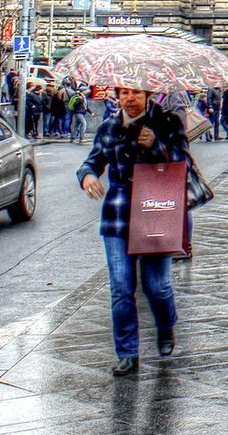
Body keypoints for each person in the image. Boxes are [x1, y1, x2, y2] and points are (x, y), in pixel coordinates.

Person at [76, 85, 189, 376]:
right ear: (118, 96)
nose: (130, 99)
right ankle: (127, 352)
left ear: (148, 96)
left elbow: (183, 162)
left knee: (157, 286)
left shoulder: (166, 123)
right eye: (124, 93)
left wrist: (156, 146)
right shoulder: (109, 127)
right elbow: (92, 161)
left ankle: (166, 326)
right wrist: (87, 176)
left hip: (155, 212)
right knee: (121, 288)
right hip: (118, 216)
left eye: (136, 93)